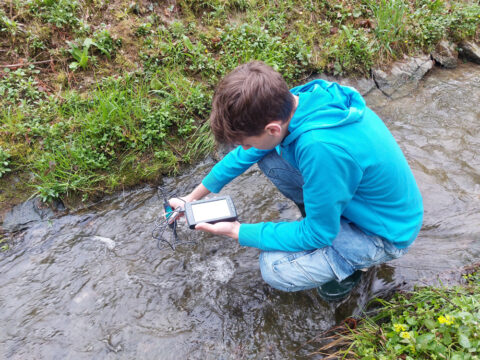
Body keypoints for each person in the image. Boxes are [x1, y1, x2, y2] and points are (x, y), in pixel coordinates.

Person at [169, 61, 423, 301]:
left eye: (246, 141)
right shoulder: (298, 101)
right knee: (267, 156)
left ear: (272, 129)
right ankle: (320, 217)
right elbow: (242, 157)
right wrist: (191, 198)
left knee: (274, 268)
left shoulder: (320, 147)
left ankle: (350, 270)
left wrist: (238, 231)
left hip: (384, 233)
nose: (244, 148)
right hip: (365, 202)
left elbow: (319, 233)